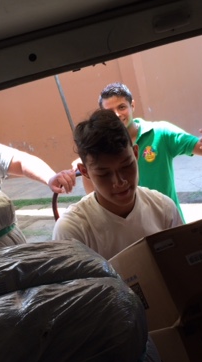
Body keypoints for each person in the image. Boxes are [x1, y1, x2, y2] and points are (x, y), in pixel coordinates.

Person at [77, 82, 202, 221]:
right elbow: (95, 200)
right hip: (128, 227)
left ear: (132, 105)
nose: (117, 114)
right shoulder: (97, 152)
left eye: (122, 107)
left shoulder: (161, 133)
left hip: (168, 222)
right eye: (110, 111)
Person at [53, 109, 182, 260]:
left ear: (135, 154)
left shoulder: (164, 209)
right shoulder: (72, 231)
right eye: (104, 174)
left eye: (126, 166)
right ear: (84, 171)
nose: (120, 182)